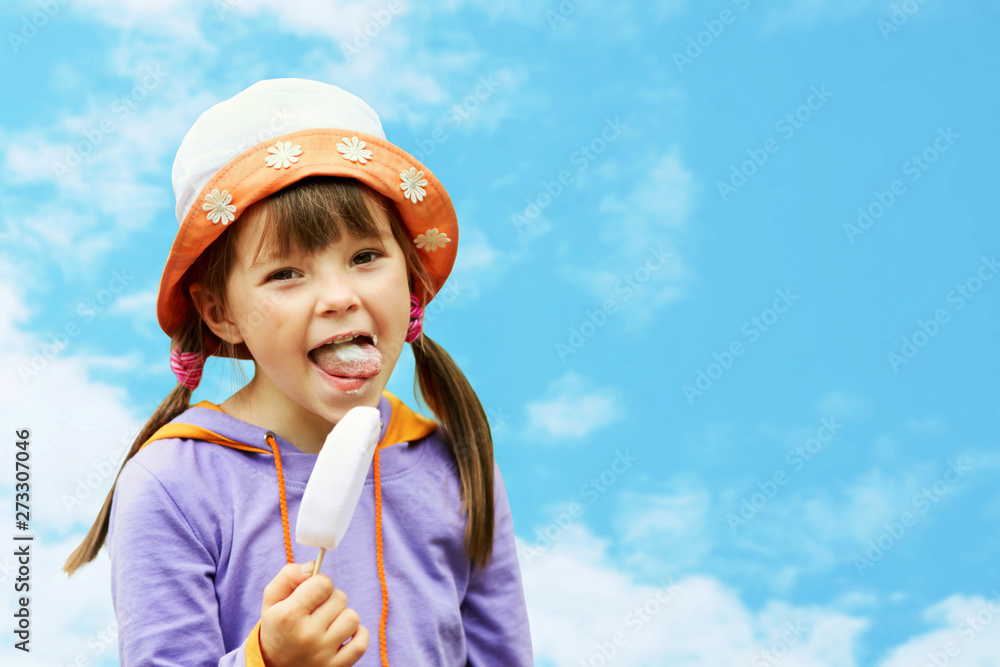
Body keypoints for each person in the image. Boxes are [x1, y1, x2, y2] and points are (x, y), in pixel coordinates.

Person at [62, 78, 534, 667]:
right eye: (285, 273)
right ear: (221, 312)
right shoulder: (171, 486)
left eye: (365, 257)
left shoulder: (457, 465)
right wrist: (268, 659)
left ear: (411, 277)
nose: (338, 297)